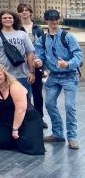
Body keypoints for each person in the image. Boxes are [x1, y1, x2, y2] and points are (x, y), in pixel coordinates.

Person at [35, 9, 82, 149]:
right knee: (49, 104)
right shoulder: (41, 39)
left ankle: (72, 137)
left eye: (55, 19)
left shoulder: (68, 37)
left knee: (69, 106)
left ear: (58, 20)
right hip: (53, 77)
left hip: (69, 76)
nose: (53, 21)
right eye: (50, 19)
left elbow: (79, 56)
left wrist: (67, 63)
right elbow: (40, 57)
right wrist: (38, 62)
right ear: (46, 21)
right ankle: (57, 133)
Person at [0, 63, 44, 155]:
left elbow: (21, 109)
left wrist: (15, 129)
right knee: (0, 141)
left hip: (26, 117)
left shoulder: (14, 86)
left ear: (5, 75)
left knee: (29, 146)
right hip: (7, 118)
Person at [0, 10, 36, 99]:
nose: (7, 20)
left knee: (25, 101)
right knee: (5, 102)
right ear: (0, 20)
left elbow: (30, 53)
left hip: (22, 75)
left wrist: (31, 71)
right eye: (4, 18)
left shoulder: (22, 34)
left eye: (10, 18)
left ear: (14, 19)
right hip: (4, 76)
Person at [17, 3, 45, 126]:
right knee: (24, 92)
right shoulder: (17, 28)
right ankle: (27, 117)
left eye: (26, 10)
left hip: (36, 62)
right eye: (22, 11)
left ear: (30, 13)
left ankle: (39, 117)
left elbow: (43, 45)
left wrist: (42, 64)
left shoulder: (38, 28)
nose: (24, 12)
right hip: (21, 64)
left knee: (38, 92)